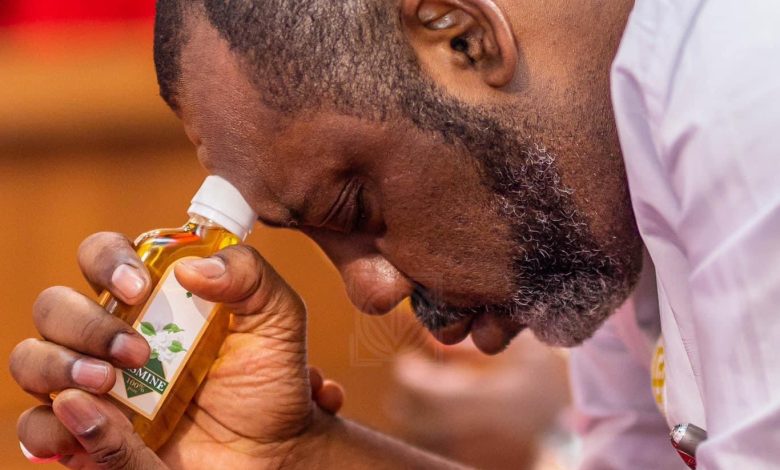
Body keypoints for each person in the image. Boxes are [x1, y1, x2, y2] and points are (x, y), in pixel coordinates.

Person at [9, 0, 780, 468]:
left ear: (462, 35)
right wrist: (291, 456)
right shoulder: (592, 184)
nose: (371, 291)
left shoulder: (747, 96)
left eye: (355, 208)